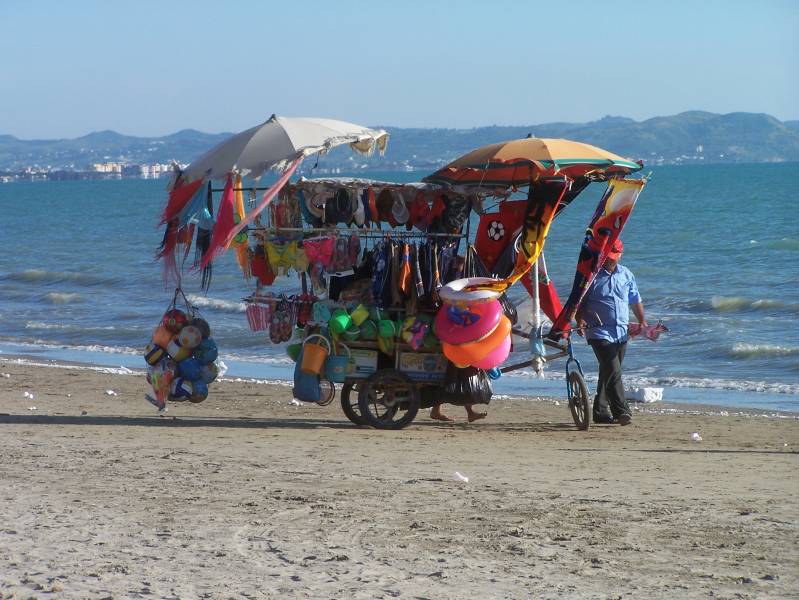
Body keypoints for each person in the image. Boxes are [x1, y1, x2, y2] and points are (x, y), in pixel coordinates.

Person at [577, 239, 646, 426]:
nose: (610, 261)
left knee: (608, 371)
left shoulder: (626, 274)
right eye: (608, 257)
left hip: (621, 332)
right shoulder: (592, 276)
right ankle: (622, 411)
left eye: (614, 257)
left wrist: (642, 321)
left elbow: (635, 299)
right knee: (613, 370)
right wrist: (579, 319)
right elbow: (578, 300)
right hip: (598, 332)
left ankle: (600, 411)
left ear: (620, 255)